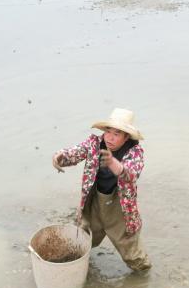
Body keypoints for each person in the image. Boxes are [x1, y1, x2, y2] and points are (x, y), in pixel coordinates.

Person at [52, 108, 151, 272]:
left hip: (120, 208)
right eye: (108, 131)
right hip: (95, 202)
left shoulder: (135, 152)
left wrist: (114, 164)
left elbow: (131, 173)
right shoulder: (94, 144)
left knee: (133, 255)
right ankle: (76, 268)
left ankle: (144, 280)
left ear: (127, 137)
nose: (110, 137)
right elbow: (76, 152)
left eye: (117, 134)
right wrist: (60, 156)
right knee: (82, 240)